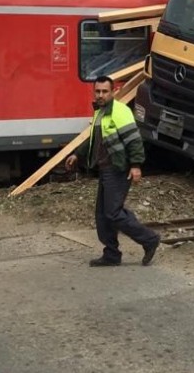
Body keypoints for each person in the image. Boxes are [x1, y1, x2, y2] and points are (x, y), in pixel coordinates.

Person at [64, 76, 161, 267]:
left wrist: (135, 165)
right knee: (103, 214)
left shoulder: (120, 111)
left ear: (113, 92)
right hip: (105, 169)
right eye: (98, 91)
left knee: (113, 213)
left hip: (118, 169)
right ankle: (111, 254)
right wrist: (78, 155)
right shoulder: (100, 113)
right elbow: (95, 139)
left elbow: (134, 140)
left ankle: (149, 239)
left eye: (104, 91)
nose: (100, 95)